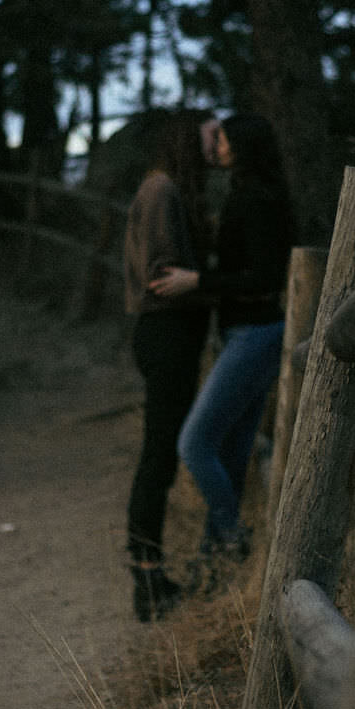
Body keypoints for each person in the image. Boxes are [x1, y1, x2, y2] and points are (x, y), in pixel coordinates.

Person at [148, 113, 296, 590]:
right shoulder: (244, 193)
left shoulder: (258, 199)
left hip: (257, 333)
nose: (219, 148)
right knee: (229, 452)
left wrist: (199, 280)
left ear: (244, 146)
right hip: (245, 332)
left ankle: (234, 536)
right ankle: (214, 570)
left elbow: (265, 277)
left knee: (194, 443)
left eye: (226, 139)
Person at [123, 110, 214, 622]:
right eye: (209, 134)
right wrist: (209, 279)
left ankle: (151, 573)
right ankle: (147, 578)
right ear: (187, 137)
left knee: (162, 452)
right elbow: (163, 275)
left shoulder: (169, 189)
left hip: (170, 334)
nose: (215, 143)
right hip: (166, 334)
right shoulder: (161, 191)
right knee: (159, 454)